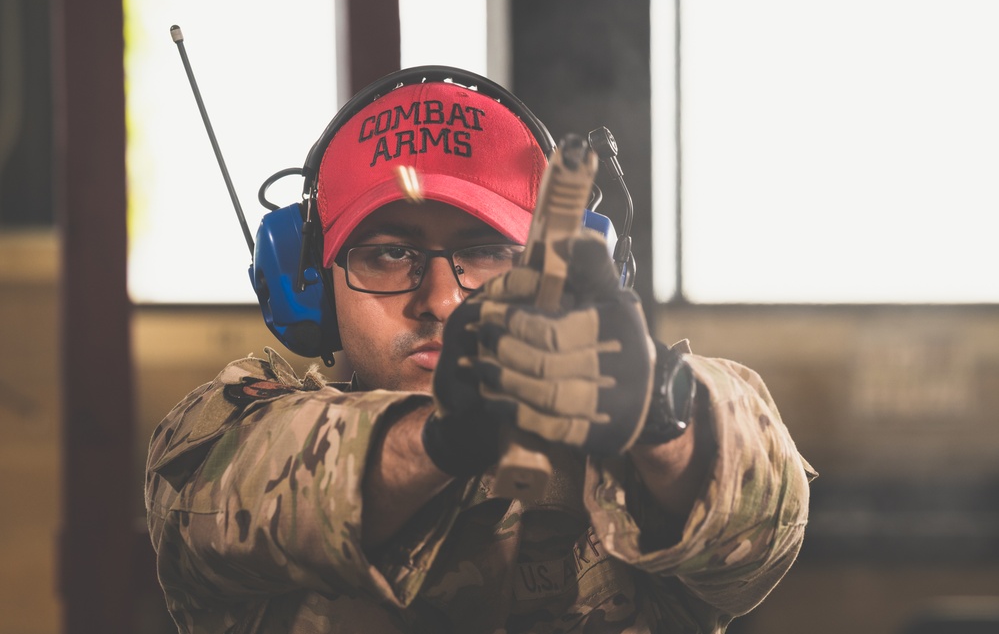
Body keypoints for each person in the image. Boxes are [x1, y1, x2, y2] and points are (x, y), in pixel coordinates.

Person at [145, 68, 815, 634]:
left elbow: (759, 518)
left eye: (488, 252)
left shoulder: (624, 457)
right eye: (387, 254)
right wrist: (442, 438)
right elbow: (219, 504)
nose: (440, 299)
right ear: (310, 284)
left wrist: (660, 417)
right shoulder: (230, 434)